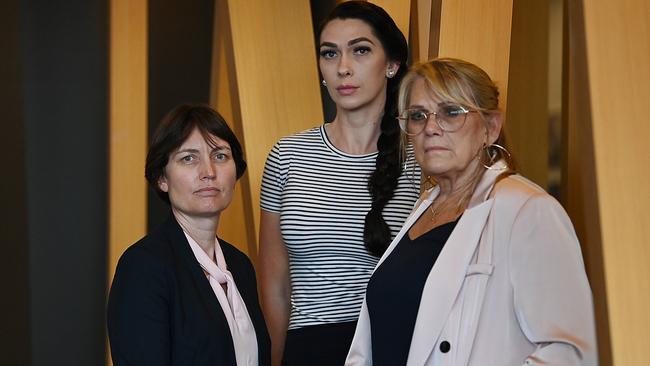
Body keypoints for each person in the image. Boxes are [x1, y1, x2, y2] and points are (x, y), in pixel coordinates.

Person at [346, 58, 598, 365]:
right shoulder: (424, 206)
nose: (431, 128)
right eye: (417, 115)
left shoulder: (529, 210)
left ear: (490, 128)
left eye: (451, 112)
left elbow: (570, 351)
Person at [258, 2, 421, 365]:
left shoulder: (421, 161)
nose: (343, 68)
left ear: (392, 65)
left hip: (392, 346)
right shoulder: (288, 155)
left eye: (360, 50)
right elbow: (275, 282)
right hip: (306, 348)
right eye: (330, 54)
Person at [107, 104, 270, 366]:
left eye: (220, 156)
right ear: (162, 178)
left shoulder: (240, 266)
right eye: (188, 158)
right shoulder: (143, 267)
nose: (208, 172)